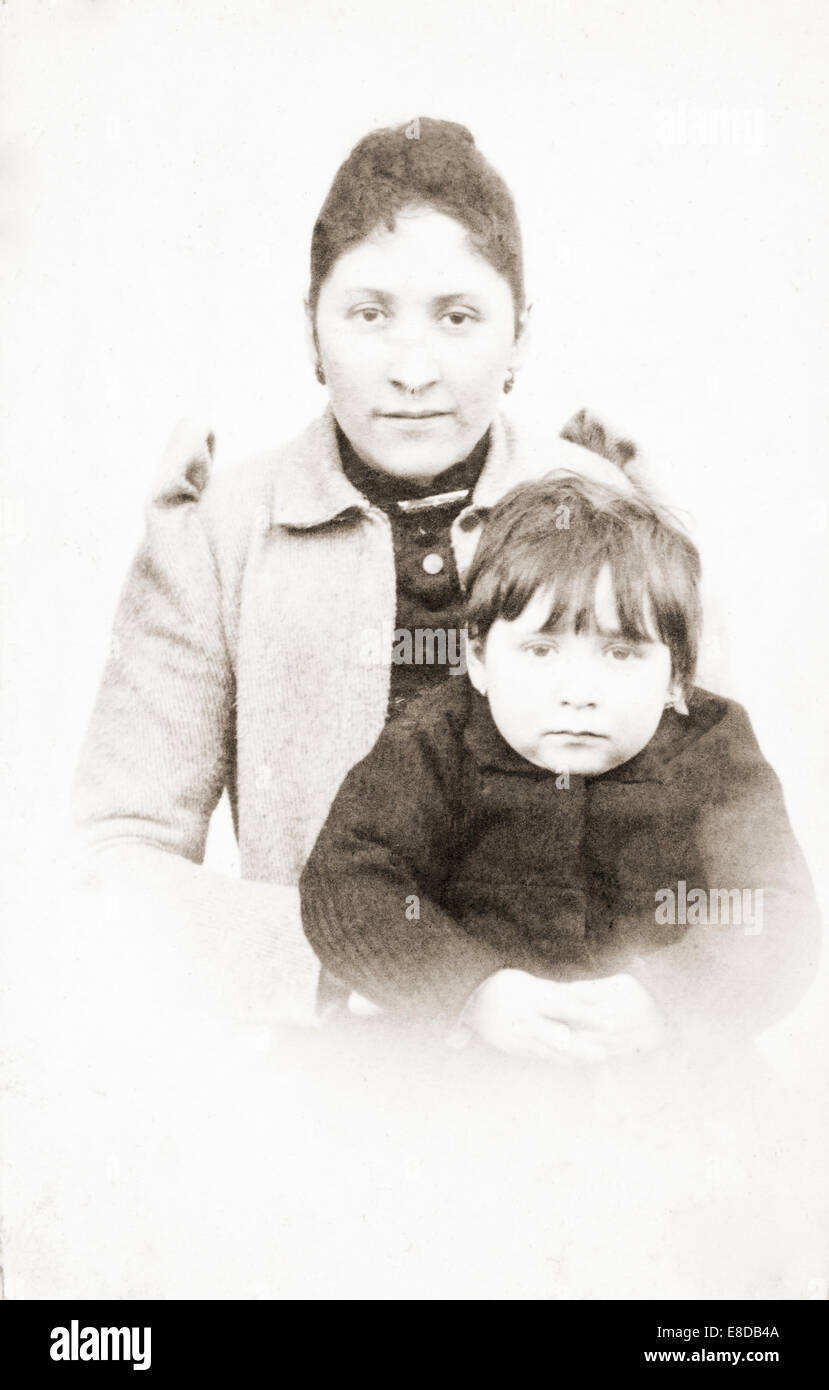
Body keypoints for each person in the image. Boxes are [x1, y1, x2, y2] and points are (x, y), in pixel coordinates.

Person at [71, 117, 636, 1027]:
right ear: (312, 328)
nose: (412, 370)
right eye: (369, 315)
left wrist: (630, 998)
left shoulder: (611, 516)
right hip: (321, 1066)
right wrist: (346, 963)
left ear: (519, 335)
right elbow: (113, 860)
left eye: (458, 318)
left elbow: (726, 845)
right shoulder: (219, 536)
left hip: (575, 1063)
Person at [300, 472, 820, 1061]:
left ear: (677, 675)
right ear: (479, 660)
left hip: (658, 1077)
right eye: (541, 651)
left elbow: (772, 909)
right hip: (468, 1069)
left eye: (620, 653)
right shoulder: (432, 743)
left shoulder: (711, 750)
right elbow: (350, 879)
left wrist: (668, 1000)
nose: (578, 691)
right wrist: (471, 991)